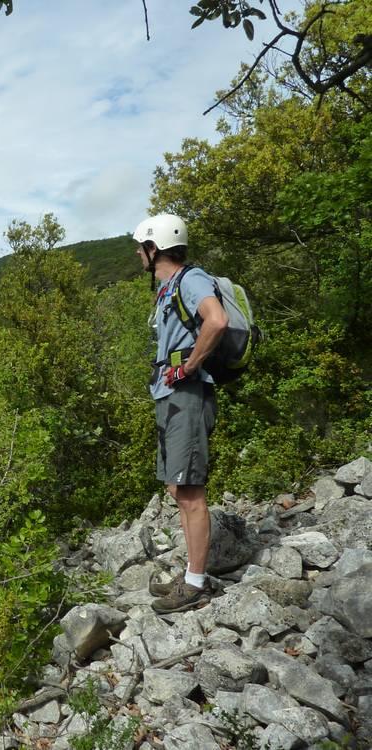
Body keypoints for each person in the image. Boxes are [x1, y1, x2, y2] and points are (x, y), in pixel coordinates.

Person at [132, 213, 228, 614]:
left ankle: (195, 584)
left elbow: (217, 320)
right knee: (177, 487)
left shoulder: (190, 280)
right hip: (170, 396)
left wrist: (188, 367)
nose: (138, 255)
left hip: (187, 394)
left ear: (156, 249)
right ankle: (192, 572)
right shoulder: (170, 286)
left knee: (190, 491)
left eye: (141, 248)